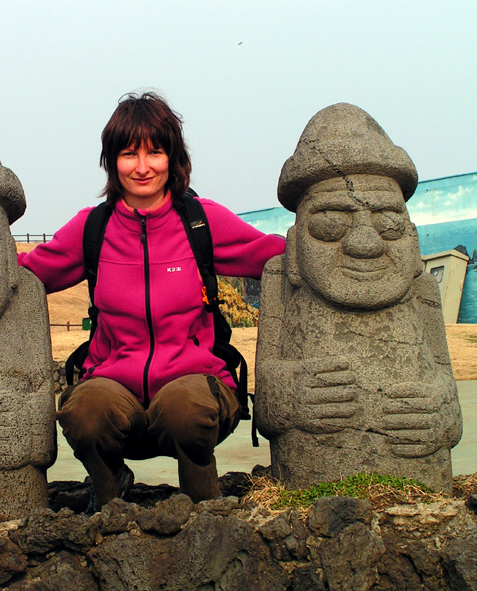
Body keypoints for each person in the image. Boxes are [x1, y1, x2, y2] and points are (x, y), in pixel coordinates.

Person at [19, 92, 286, 511]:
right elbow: (27, 273)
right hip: (114, 389)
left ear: (173, 157)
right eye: (129, 154)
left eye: (155, 152)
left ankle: (202, 502)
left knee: (184, 406)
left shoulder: (203, 222)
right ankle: (108, 497)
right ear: (112, 161)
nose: (142, 167)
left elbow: (273, 255)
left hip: (197, 391)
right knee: (84, 410)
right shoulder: (92, 228)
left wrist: (328, 242)